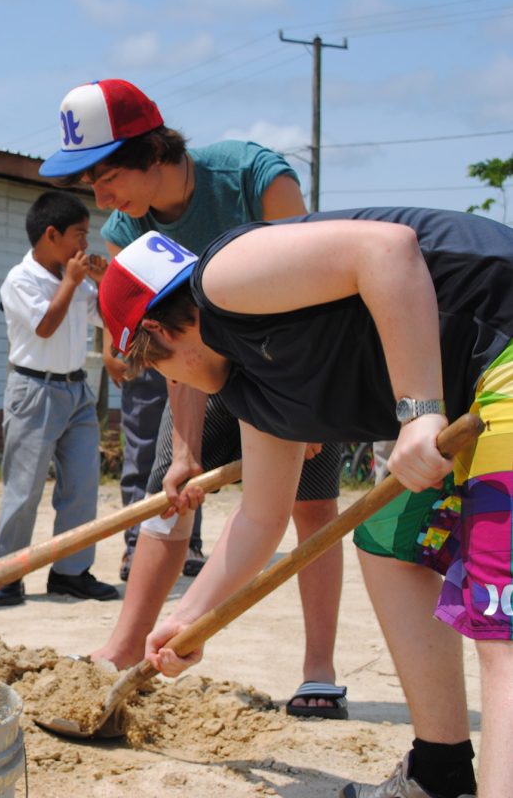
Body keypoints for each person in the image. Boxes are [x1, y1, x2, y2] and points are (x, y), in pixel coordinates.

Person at [101, 207, 513, 798]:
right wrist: (188, 619)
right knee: (387, 538)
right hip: (474, 386)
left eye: (159, 367)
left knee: (501, 628)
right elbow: (260, 517)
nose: (177, 384)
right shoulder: (254, 390)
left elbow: (388, 250)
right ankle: (440, 772)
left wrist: (419, 411)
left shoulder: (221, 279)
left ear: (161, 333)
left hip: (502, 346)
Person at [40, 78, 344, 717]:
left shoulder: (256, 180)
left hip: (299, 367)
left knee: (311, 506)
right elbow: (162, 343)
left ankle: (319, 669)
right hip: (206, 372)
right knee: (169, 497)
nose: (100, 199)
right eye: (89, 185)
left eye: (107, 175)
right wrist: (183, 449)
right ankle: (124, 647)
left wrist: (307, 408)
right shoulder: (129, 229)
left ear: (154, 151)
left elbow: (314, 305)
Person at [0, 190, 118, 606]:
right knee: (24, 488)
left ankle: (71, 571)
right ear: (51, 234)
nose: (86, 243)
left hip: (77, 389)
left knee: (82, 484)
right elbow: (44, 326)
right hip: (34, 390)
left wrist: (102, 284)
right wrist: (73, 282)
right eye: (80, 234)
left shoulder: (74, 277)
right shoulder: (20, 279)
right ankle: (7, 575)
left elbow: (107, 317)